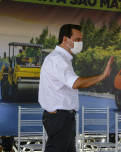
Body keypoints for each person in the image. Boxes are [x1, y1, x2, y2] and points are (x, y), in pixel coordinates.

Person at [38, 24, 114, 152]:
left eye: (81, 39)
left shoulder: (62, 59)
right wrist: (102, 76)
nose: (81, 43)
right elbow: (75, 83)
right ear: (65, 39)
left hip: (62, 117)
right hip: (60, 118)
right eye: (77, 39)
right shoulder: (58, 60)